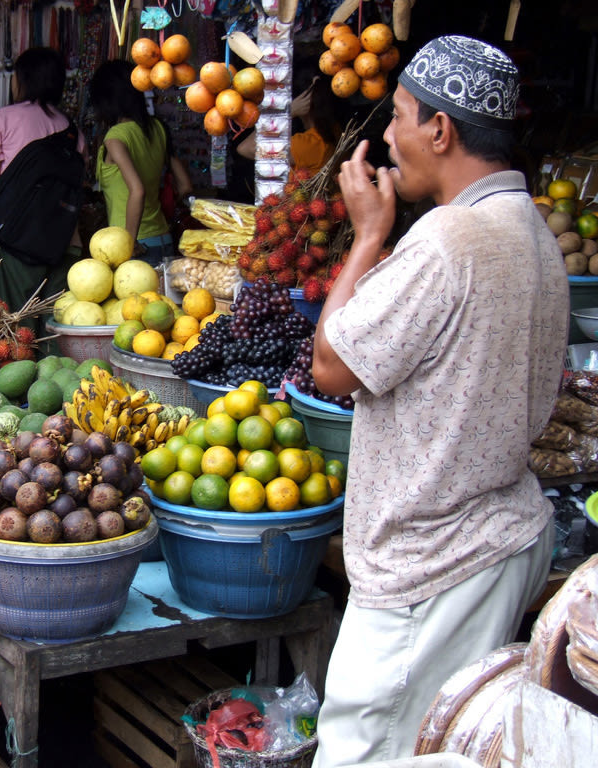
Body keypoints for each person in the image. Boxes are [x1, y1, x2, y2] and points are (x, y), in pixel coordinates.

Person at [309, 36, 568, 767]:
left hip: (429, 563)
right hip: (498, 537)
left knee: (370, 751)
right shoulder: (532, 231)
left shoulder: (449, 240)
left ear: (440, 130)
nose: (387, 138)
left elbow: (332, 367)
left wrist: (366, 235)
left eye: (397, 117)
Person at [0, 46, 87, 336]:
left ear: (21, 80)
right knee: (52, 342)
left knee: (4, 339)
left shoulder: (2, 119)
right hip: (61, 246)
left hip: (7, 247)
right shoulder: (74, 133)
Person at [88, 58, 191, 268]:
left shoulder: (115, 136)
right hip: (163, 237)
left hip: (134, 244)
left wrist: (129, 242)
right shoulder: (157, 127)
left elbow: (137, 190)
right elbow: (186, 185)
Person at [236, 71, 340, 174]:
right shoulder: (335, 132)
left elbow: (247, 148)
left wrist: (287, 113)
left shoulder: (310, 144)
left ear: (303, 102)